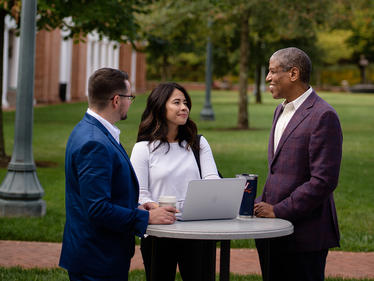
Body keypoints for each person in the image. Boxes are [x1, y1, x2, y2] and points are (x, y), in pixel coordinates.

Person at [59, 68, 176, 281]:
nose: (130, 102)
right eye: (129, 97)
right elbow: (97, 208)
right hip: (97, 259)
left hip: (97, 255)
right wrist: (146, 217)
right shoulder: (95, 142)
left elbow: (104, 194)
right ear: (116, 100)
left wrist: (136, 206)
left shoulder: (92, 130)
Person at [254, 47, 343, 281]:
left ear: (293, 74)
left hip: (305, 235)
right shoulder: (279, 110)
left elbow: (323, 181)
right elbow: (278, 170)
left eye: (273, 71)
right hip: (271, 232)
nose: (268, 77)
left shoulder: (323, 115)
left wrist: (279, 210)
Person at [130, 82, 220, 281]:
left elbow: (212, 181)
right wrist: (156, 208)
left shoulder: (197, 143)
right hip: (159, 231)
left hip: (197, 230)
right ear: (160, 107)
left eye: (186, 103)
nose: (184, 108)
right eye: (177, 102)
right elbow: (139, 193)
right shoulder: (143, 149)